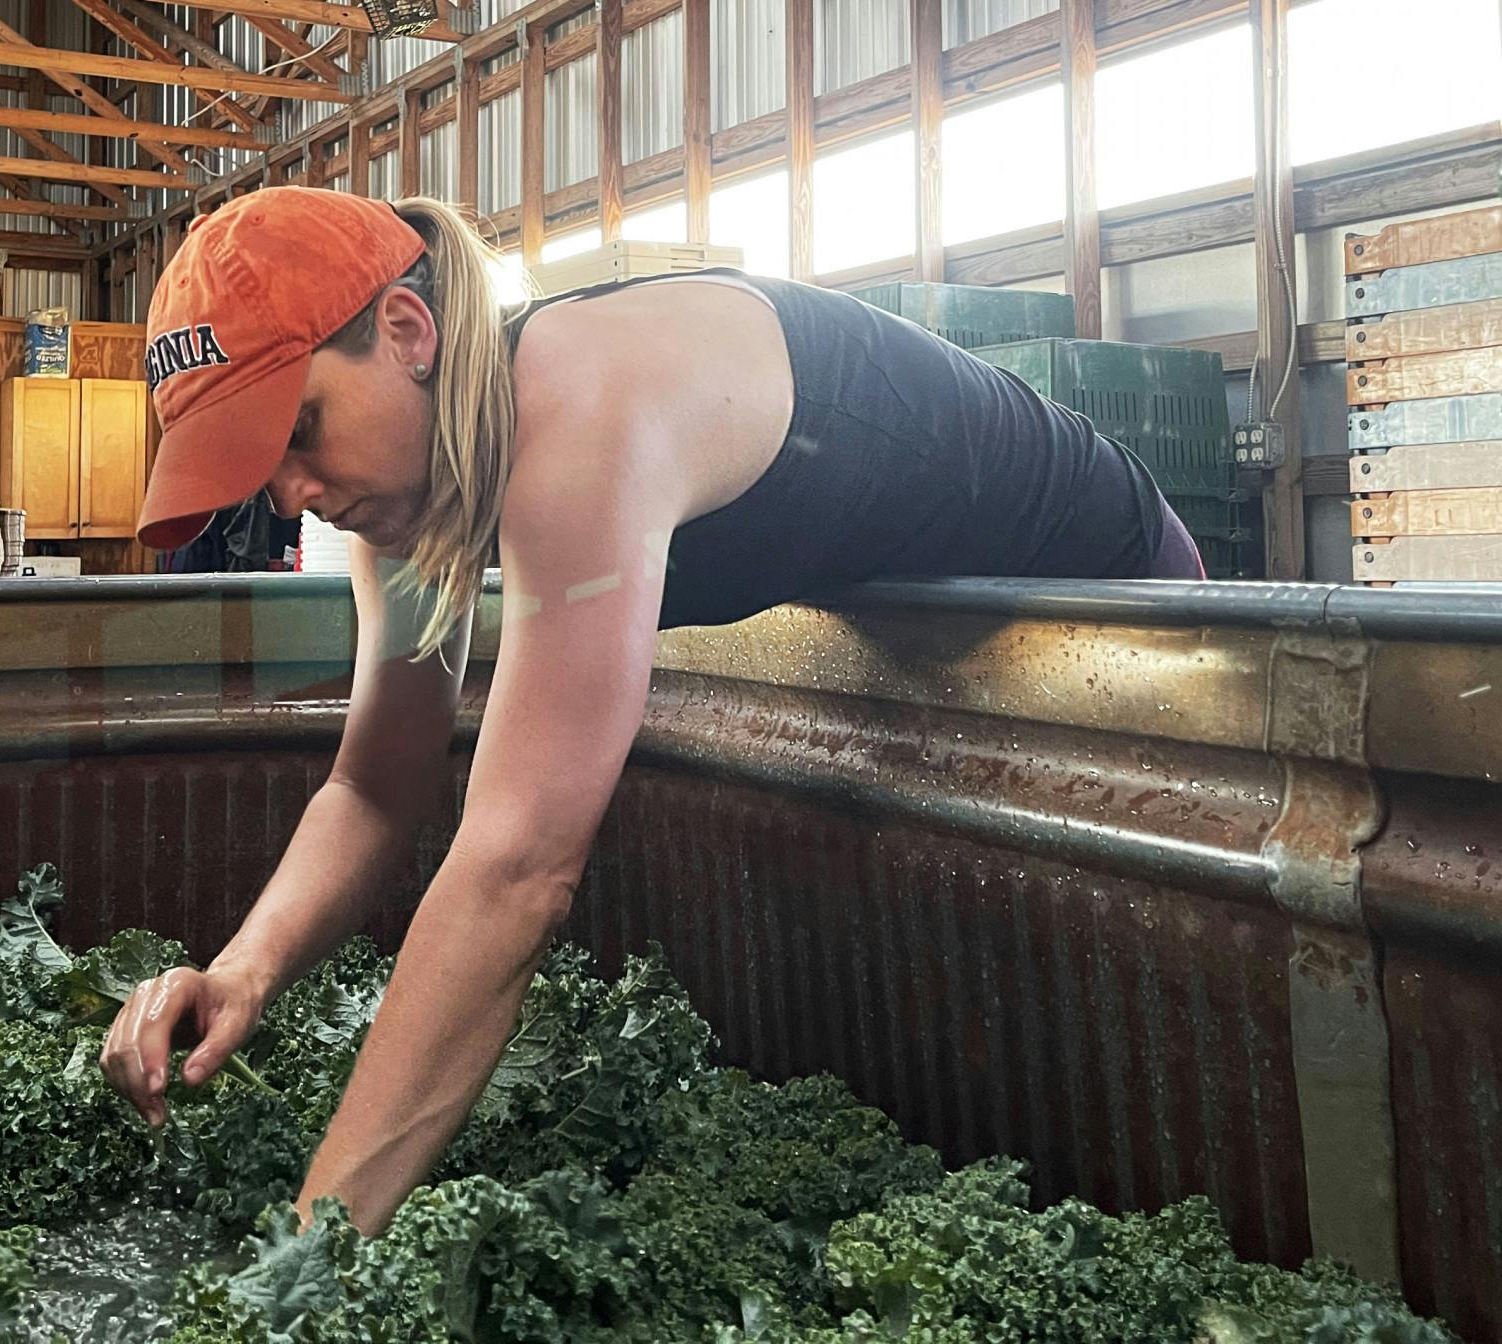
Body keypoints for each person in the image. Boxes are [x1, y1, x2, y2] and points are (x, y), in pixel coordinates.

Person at [99, 187, 1205, 1234]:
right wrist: (241, 969)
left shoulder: (584, 398)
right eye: (258, 468)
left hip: (1117, 601)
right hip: (935, 633)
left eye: (298, 429)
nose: (289, 492)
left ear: (404, 330)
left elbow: (518, 865)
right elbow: (375, 781)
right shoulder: (397, 502)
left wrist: (311, 1253)